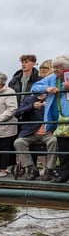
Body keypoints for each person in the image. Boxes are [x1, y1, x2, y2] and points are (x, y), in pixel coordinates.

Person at [31, 54, 69, 183]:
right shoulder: (52, 78)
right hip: (58, 119)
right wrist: (47, 88)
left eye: (59, 67)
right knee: (63, 148)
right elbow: (34, 88)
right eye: (55, 67)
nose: (56, 70)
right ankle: (63, 175)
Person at [13, 93, 57, 181]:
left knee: (54, 140)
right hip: (30, 132)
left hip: (48, 132)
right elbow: (17, 113)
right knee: (19, 142)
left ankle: (49, 170)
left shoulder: (53, 99)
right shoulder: (29, 100)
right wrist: (32, 106)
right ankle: (31, 168)